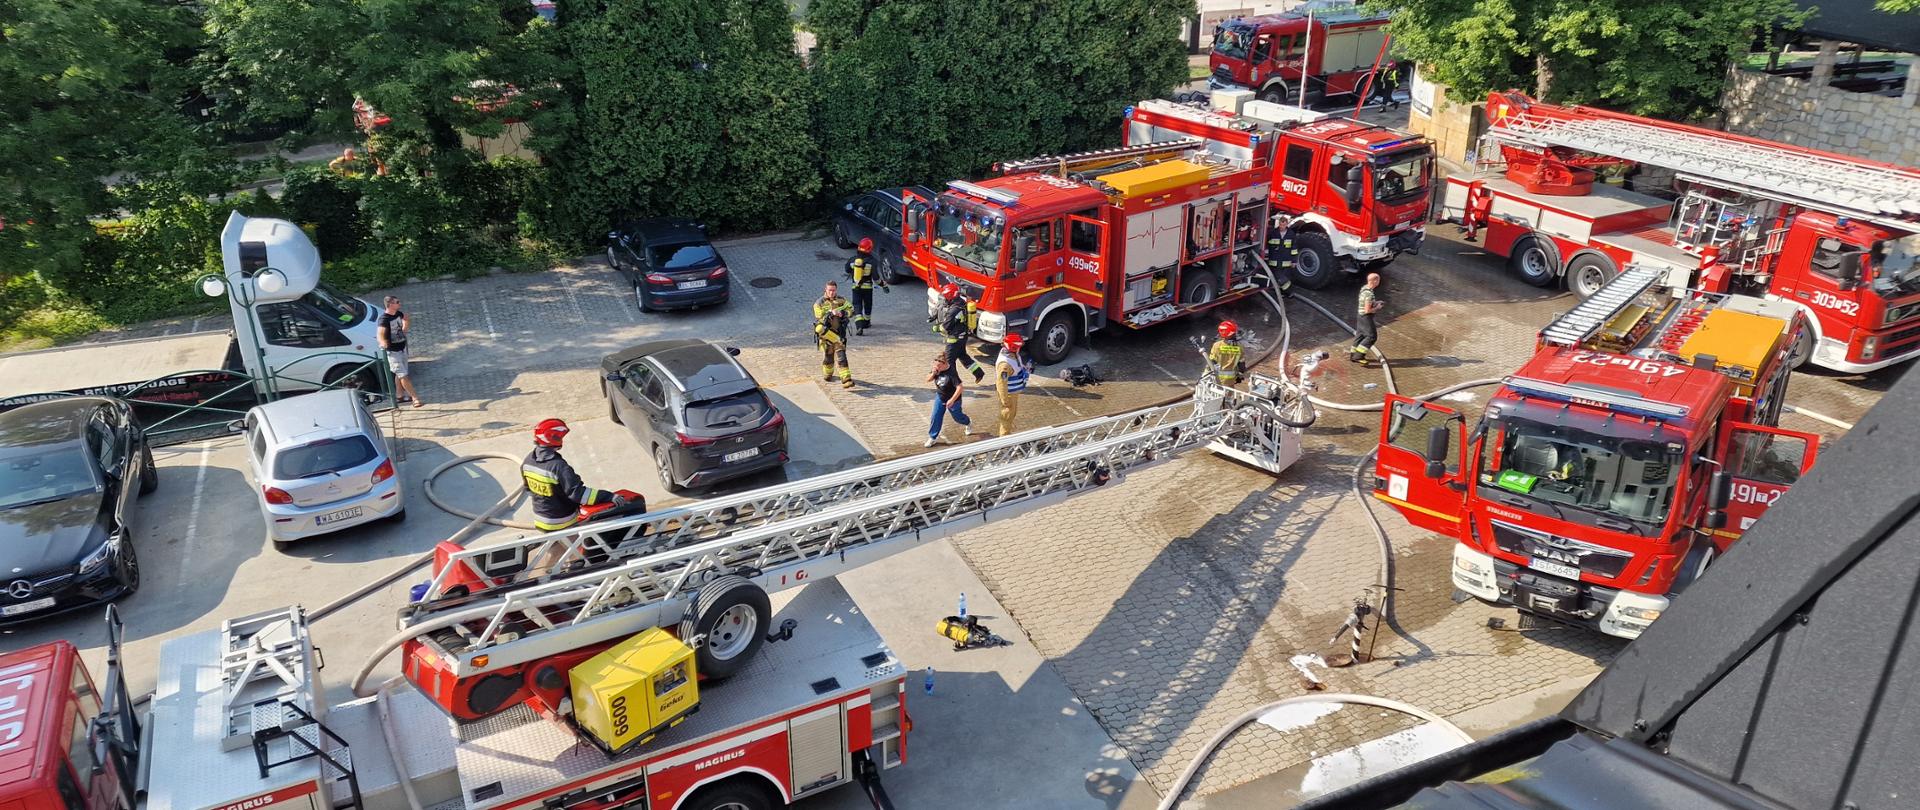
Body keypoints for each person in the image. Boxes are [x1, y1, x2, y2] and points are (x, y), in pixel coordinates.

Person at [522, 419, 634, 532]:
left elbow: (528, 490)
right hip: (562, 522)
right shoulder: (558, 466)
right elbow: (580, 495)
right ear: (553, 437)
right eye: (560, 437)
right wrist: (609, 497)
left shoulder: (528, 461)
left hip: (540, 521)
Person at [932, 283, 986, 382]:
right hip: (962, 336)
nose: (944, 297)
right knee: (963, 356)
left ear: (950, 295)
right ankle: (979, 373)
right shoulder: (960, 302)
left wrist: (937, 328)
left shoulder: (954, 309)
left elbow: (946, 327)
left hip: (954, 339)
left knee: (949, 362)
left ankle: (953, 382)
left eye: (946, 295)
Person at [377, 296, 423, 408]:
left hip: (402, 348)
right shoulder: (384, 319)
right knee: (403, 376)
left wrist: (405, 328)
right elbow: (380, 334)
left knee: (400, 374)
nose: (399, 303)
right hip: (393, 352)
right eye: (397, 302)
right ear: (390, 305)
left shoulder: (398, 314)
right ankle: (415, 398)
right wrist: (382, 342)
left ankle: (399, 395)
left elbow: (406, 318)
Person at [925, 352, 976, 447]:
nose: (937, 368)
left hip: (953, 399)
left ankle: (968, 422)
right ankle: (933, 437)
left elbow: (960, 388)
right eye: (936, 365)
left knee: (957, 417)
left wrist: (952, 400)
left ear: (945, 364)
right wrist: (933, 373)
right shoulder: (936, 368)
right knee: (935, 416)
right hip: (941, 397)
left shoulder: (951, 373)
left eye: (939, 366)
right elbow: (927, 379)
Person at [814, 281, 855, 388]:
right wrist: (830, 313)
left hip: (839, 333)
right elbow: (818, 316)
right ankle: (828, 374)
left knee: (841, 355)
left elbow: (851, 309)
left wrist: (844, 313)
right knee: (829, 357)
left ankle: (846, 379)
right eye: (830, 290)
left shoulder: (841, 300)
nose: (832, 293)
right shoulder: (819, 303)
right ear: (825, 290)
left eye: (833, 290)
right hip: (826, 335)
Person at [845, 237, 889, 335]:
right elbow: (876, 279)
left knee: (857, 306)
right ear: (870, 249)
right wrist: (884, 285)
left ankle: (859, 326)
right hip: (867, 289)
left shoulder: (852, 260)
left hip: (855, 288)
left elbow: (847, 269)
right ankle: (867, 322)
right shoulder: (872, 262)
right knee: (868, 305)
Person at [994, 333, 1030, 437]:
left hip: (1012, 393)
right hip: (1008, 395)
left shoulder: (1011, 354)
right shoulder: (1005, 365)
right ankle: (1004, 441)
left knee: (1011, 415)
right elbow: (1001, 384)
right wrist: (1005, 401)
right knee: (1007, 417)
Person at [1350, 273, 1385, 365]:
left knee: (1360, 335)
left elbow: (1366, 302)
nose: (1379, 282)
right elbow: (1367, 310)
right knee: (1372, 336)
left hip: (1360, 315)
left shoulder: (1365, 288)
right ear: (1374, 281)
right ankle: (1359, 356)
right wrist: (1377, 308)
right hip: (1366, 317)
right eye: (1378, 280)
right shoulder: (1368, 293)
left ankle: (1353, 354)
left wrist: (1375, 302)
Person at [1208, 320, 1247, 386]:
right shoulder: (1239, 347)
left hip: (1217, 380)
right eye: (1234, 333)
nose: (1235, 334)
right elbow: (1241, 365)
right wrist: (1240, 376)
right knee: (1229, 395)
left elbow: (1211, 362)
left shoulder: (1217, 345)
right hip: (1230, 381)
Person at [1264, 222, 1296, 298]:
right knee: (1278, 277)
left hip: (1285, 261)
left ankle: (1287, 292)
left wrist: (1294, 261)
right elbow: (1267, 243)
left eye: (1284, 225)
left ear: (1287, 225)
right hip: (1275, 260)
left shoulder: (1291, 234)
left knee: (1282, 278)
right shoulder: (1273, 233)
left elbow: (1294, 248)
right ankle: (1286, 292)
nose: (1282, 226)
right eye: (1281, 225)